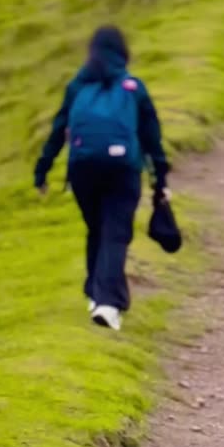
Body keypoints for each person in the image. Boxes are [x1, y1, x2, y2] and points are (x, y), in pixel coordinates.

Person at [34, 25, 170, 331]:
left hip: (83, 169)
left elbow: (58, 131)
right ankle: (107, 304)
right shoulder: (133, 88)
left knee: (98, 228)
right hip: (123, 168)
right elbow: (152, 139)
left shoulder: (77, 87)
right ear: (123, 52)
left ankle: (97, 294)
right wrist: (160, 178)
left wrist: (42, 170)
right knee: (115, 232)